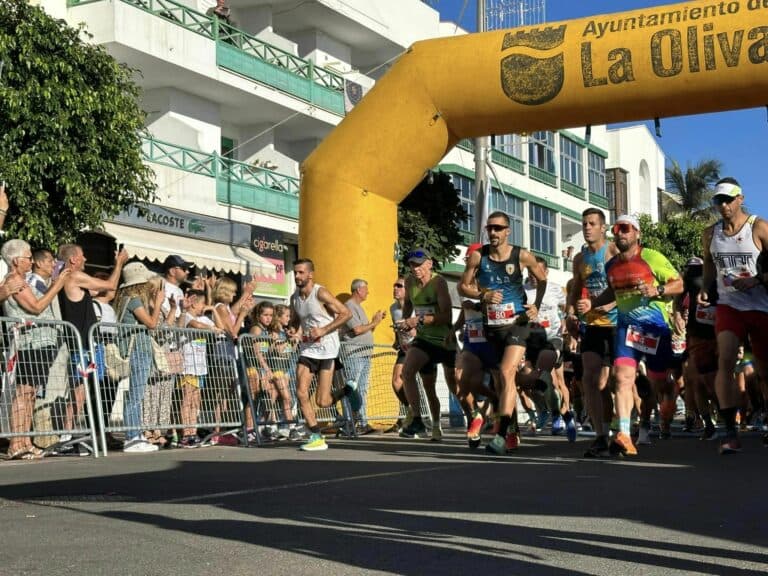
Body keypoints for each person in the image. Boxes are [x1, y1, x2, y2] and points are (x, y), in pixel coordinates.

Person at [582, 214, 683, 457]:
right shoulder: (612, 265)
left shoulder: (651, 257)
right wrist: (593, 304)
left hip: (655, 329)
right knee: (622, 378)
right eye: (617, 229)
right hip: (627, 331)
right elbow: (611, 292)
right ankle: (625, 434)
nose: (620, 233)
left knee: (658, 383)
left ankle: (668, 398)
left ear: (637, 233)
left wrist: (657, 289)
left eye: (626, 228)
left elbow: (679, 284)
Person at [458, 213, 547, 455]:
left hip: (517, 323)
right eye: (490, 228)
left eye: (498, 228)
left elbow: (542, 278)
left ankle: (499, 435)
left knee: (507, 373)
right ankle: (512, 429)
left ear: (508, 231)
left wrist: (536, 304)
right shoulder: (479, 256)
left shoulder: (522, 255)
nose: (494, 233)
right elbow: (462, 285)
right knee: (502, 381)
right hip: (492, 328)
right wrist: (482, 295)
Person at [700, 178, 768, 454]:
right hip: (729, 306)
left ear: (740, 198)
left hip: (761, 305)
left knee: (765, 371)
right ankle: (729, 430)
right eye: (719, 201)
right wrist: (705, 289)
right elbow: (707, 266)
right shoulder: (710, 234)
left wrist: (757, 279)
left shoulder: (759, 227)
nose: (724, 205)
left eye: (728, 199)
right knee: (725, 359)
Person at [1, 239, 70, 459]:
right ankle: (16, 442)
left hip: (40, 341)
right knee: (24, 391)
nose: (31, 261)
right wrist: (57, 285)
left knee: (31, 393)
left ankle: (25, 440)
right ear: (15, 260)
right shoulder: (14, 281)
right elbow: (36, 307)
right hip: (29, 341)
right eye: (28, 257)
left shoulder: (23, 280)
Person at [57, 243, 129, 443]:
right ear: (73, 259)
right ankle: (65, 436)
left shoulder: (64, 276)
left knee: (85, 390)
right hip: (81, 343)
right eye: (83, 256)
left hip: (86, 342)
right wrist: (119, 264)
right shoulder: (72, 275)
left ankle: (72, 433)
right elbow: (109, 286)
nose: (86, 260)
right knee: (79, 391)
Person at [566, 207, 618, 458]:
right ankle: (600, 435)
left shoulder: (613, 251)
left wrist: (604, 303)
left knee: (617, 381)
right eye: (584, 223)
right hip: (593, 325)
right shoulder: (580, 258)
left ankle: (624, 428)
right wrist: (570, 314)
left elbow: (625, 286)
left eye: (592, 223)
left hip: (617, 323)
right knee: (590, 380)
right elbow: (576, 288)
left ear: (603, 227)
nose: (587, 227)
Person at [289, 258, 352, 451]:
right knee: (301, 391)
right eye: (295, 272)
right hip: (308, 349)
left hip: (327, 349)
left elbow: (346, 313)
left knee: (323, 401)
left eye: (301, 272)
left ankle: (347, 391)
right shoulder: (294, 298)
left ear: (310, 274)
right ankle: (316, 436)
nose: (297, 276)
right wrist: (293, 331)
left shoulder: (320, 292)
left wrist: (323, 330)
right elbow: (295, 321)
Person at [397, 247, 459, 442]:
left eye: (418, 264)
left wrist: (418, 320)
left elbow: (446, 316)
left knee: (455, 388)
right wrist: (404, 322)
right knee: (410, 375)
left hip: (444, 341)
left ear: (429, 263)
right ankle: (423, 421)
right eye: (411, 265)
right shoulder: (408, 282)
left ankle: (476, 412)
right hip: (424, 340)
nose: (415, 269)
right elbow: (408, 304)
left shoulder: (438, 283)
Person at [112, 262, 165, 453]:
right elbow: (151, 324)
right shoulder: (133, 299)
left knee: (136, 394)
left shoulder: (125, 298)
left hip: (138, 350)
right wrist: (158, 303)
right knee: (135, 395)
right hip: (138, 350)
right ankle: (132, 437)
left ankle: (136, 434)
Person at [342, 278, 385, 434]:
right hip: (354, 354)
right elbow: (358, 330)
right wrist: (375, 322)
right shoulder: (349, 307)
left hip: (364, 353)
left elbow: (364, 330)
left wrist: (375, 322)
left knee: (362, 389)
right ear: (358, 290)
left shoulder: (358, 307)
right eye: (366, 289)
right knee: (351, 389)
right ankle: (349, 423)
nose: (368, 292)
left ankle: (362, 422)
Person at [388, 276, 415, 431]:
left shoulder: (415, 307)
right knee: (396, 381)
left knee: (410, 380)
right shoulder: (393, 308)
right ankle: (411, 409)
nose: (395, 288)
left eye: (399, 286)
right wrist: (397, 340)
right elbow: (398, 329)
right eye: (395, 285)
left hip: (417, 347)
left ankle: (423, 416)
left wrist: (413, 329)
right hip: (404, 348)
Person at [162, 255, 192, 322]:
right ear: (172, 271)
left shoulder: (180, 290)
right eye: (184, 268)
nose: (188, 272)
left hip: (175, 329)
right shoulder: (162, 287)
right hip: (166, 329)